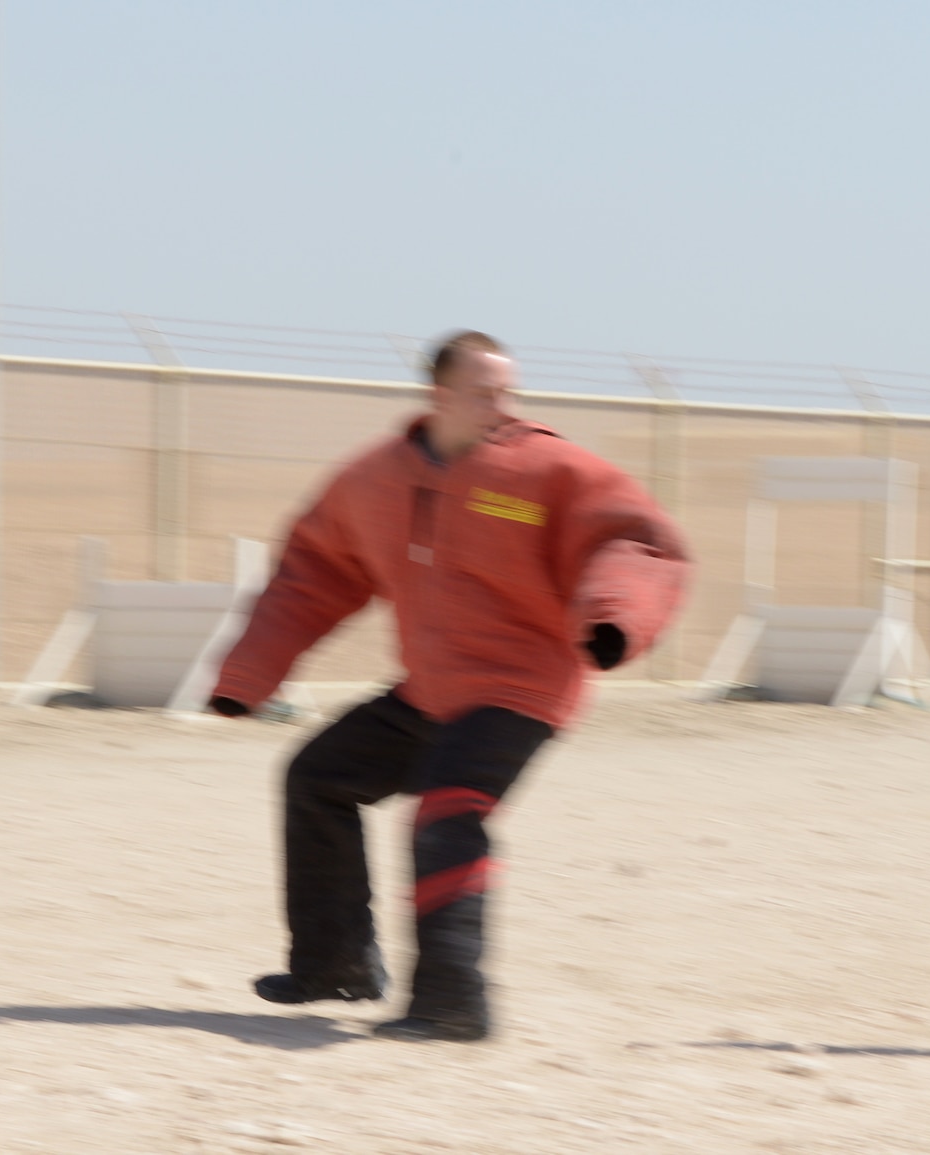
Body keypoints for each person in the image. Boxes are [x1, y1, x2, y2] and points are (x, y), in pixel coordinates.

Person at [207, 330, 690, 1042]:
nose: (502, 404)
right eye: (484, 390)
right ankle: (335, 965)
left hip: (522, 688)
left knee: (447, 814)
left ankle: (452, 999)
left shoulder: (549, 470)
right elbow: (311, 573)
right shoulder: (374, 479)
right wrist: (247, 677)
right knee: (317, 777)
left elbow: (637, 538)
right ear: (438, 394)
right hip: (433, 690)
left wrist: (614, 615)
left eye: (509, 390)